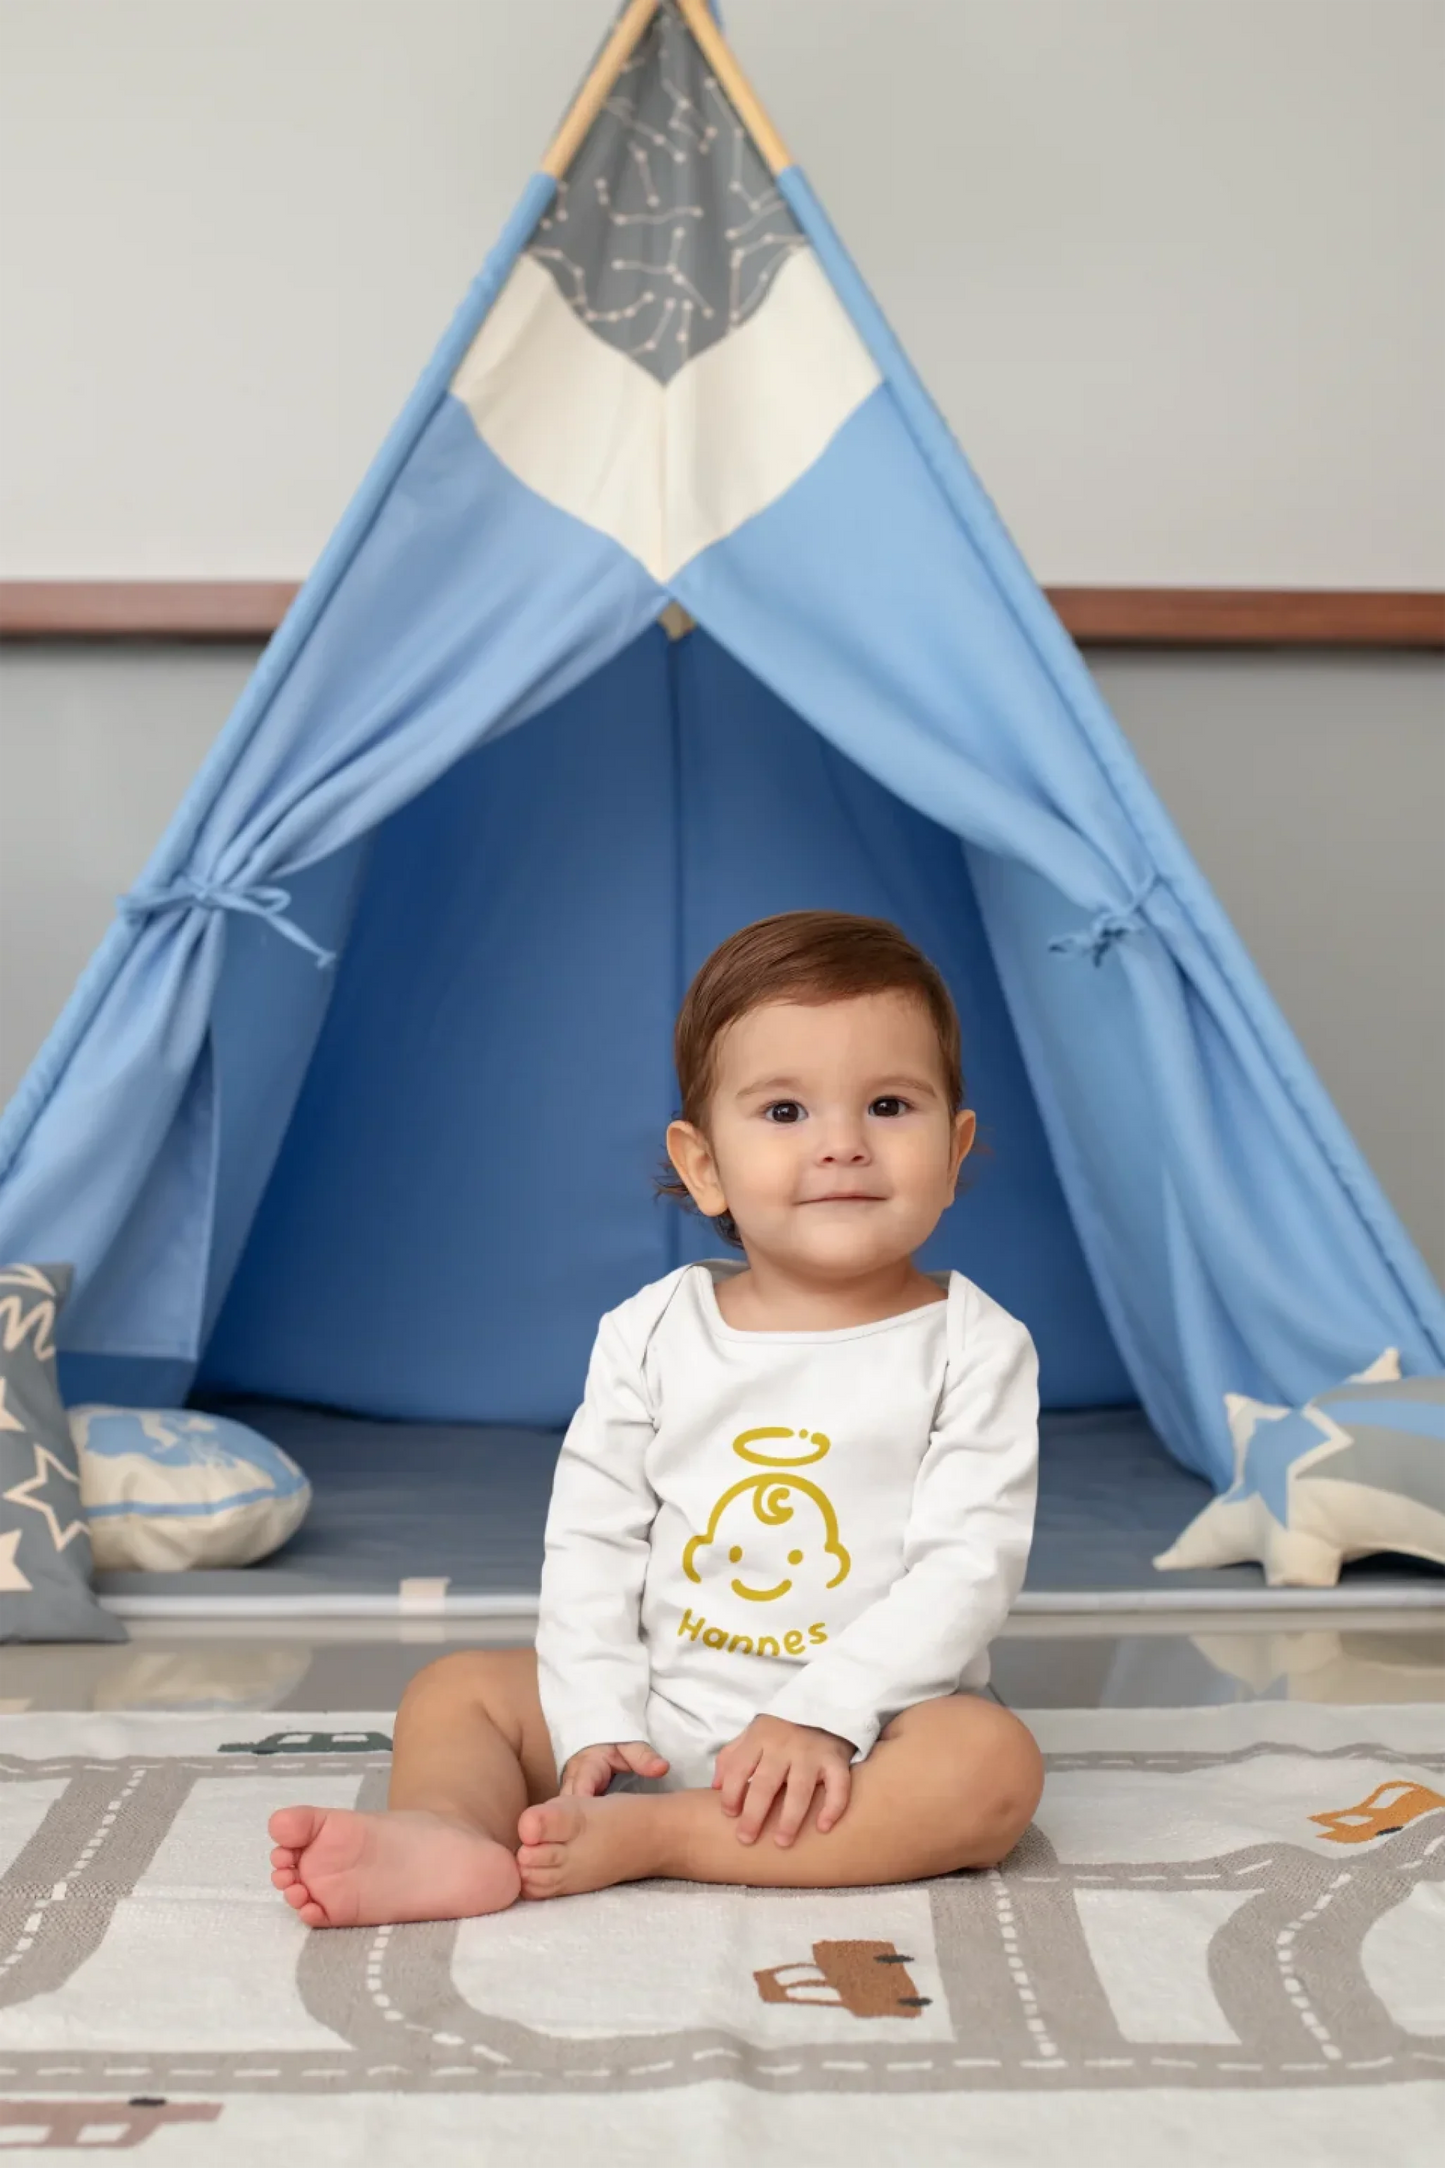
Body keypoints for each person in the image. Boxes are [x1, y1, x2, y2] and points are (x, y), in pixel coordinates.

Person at [268, 910, 1043, 1926]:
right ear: (701, 1162)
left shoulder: (973, 1344)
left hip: (867, 1730)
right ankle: (449, 1833)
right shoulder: (650, 1328)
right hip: (652, 1710)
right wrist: (593, 1718)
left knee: (989, 1768)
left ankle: (668, 1834)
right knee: (455, 1689)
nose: (842, 1144)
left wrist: (821, 1711)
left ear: (953, 1145)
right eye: (783, 1112)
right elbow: (591, 1541)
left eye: (888, 1104)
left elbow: (964, 1573)